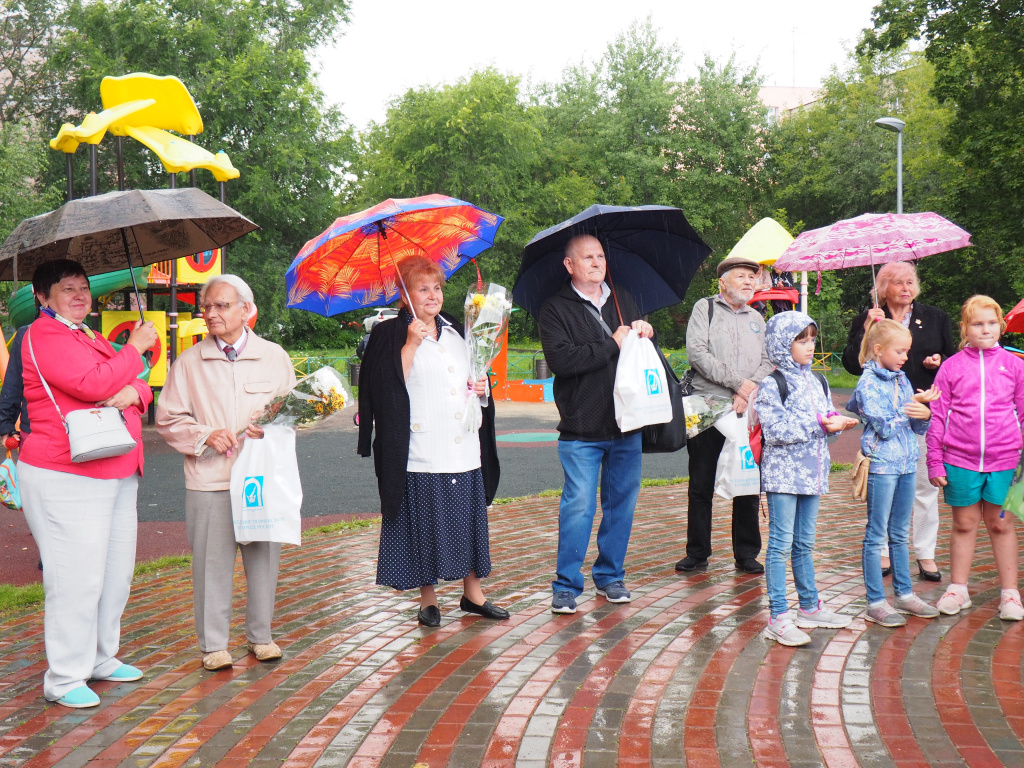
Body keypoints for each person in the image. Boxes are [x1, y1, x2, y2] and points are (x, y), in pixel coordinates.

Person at [19, 259, 158, 708]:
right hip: (66, 471)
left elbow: (136, 385)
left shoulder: (89, 334)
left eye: (84, 288)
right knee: (75, 577)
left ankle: (100, 657)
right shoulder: (44, 334)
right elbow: (90, 383)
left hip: (116, 467)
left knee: (114, 575)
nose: (79, 296)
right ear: (43, 297)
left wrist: (136, 389)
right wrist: (134, 348)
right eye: (67, 289)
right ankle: (63, 677)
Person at [357, 256, 506, 627]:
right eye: (423, 288)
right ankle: (428, 600)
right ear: (405, 295)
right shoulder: (388, 333)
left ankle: (473, 594)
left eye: (437, 287)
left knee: (468, 520)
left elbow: (472, 378)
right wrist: (409, 343)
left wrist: (482, 387)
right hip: (419, 450)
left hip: (463, 444)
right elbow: (385, 390)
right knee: (423, 522)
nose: (433, 295)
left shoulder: (458, 328)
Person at [156, 274, 296, 670]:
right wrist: (204, 435)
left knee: (264, 560)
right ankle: (214, 645)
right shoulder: (189, 363)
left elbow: (292, 414)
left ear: (245, 311)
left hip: (260, 477)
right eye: (207, 307)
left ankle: (261, 636)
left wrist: (270, 426)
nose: (212, 313)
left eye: (221, 305)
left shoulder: (274, 356)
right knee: (210, 564)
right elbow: (168, 418)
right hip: (210, 479)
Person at [538, 234, 654, 614]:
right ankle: (567, 585)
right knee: (579, 506)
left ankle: (610, 576)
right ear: (569, 265)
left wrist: (645, 333)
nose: (596, 262)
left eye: (600, 255)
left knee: (621, 505)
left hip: (627, 423)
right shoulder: (554, 308)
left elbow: (638, 352)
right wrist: (613, 345)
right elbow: (562, 360)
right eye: (587, 257)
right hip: (581, 428)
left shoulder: (623, 298)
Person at [842, 261, 955, 581]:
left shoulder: (935, 317)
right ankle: (882, 551)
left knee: (923, 487)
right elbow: (852, 364)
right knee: (885, 489)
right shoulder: (870, 317)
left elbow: (954, 361)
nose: (906, 288)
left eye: (910, 281)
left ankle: (925, 553)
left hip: (922, 413)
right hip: (884, 418)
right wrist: (866, 328)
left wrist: (939, 362)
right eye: (898, 282)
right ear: (883, 288)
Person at [755, 311, 858, 646]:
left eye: (812, 338)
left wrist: (837, 424)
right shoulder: (773, 384)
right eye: (801, 340)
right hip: (783, 476)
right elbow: (775, 431)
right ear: (782, 344)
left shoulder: (818, 381)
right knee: (780, 545)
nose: (810, 346)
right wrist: (820, 423)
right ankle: (778, 615)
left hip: (812, 475)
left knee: (804, 544)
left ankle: (810, 607)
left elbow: (825, 424)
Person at [926, 296, 1024, 621]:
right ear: (964, 328)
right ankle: (958, 588)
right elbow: (937, 417)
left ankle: (1010, 594)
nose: (985, 329)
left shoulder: (1015, 366)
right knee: (964, 524)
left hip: (1007, 461)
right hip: (959, 460)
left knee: (1002, 525)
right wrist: (934, 461)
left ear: (1001, 326)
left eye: (992, 323)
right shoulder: (950, 367)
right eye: (977, 323)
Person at [676, 254, 772, 574]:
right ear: (723, 282)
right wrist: (737, 385)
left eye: (752, 276)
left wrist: (748, 390)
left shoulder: (757, 319)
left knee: (747, 480)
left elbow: (768, 361)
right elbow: (697, 354)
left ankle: (746, 552)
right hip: (706, 404)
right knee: (700, 482)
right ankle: (698, 552)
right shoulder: (705, 308)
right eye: (741, 275)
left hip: (747, 409)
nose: (748, 281)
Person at [847, 319, 941, 627]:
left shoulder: (901, 379)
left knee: (900, 533)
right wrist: (910, 406)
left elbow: (917, 426)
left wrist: (924, 412)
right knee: (877, 535)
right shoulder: (868, 384)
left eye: (907, 351)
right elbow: (885, 427)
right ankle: (875, 601)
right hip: (882, 465)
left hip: (906, 463)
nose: (905, 357)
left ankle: (904, 594)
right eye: (900, 351)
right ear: (878, 350)